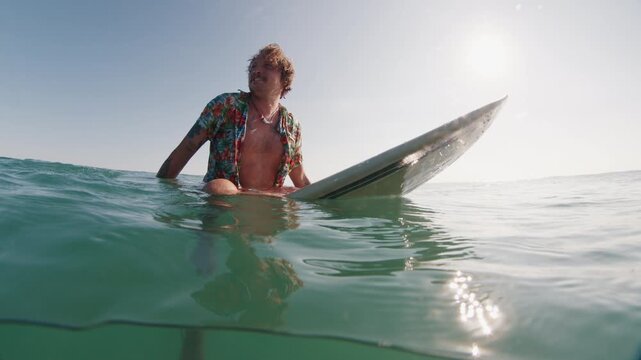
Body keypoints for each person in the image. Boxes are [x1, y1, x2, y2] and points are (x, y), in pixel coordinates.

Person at [156, 44, 310, 196]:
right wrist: (160, 191)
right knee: (220, 187)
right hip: (224, 202)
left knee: (296, 193)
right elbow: (188, 146)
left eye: (268, 66)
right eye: (252, 67)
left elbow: (300, 176)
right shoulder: (226, 105)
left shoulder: (292, 126)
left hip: (269, 205)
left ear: (285, 79)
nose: (256, 71)